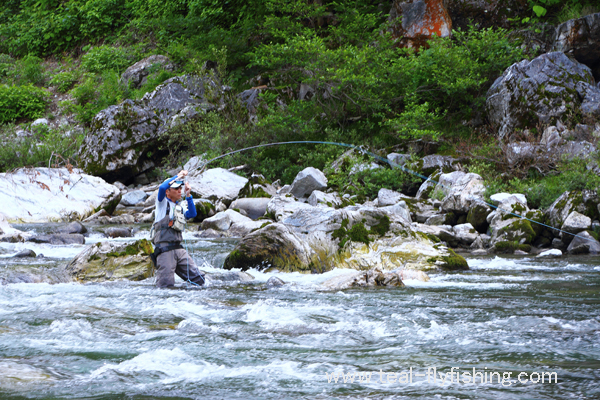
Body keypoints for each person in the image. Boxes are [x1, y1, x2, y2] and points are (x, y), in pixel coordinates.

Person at [151, 169, 205, 288]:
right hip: (165, 251)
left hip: (179, 250)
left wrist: (189, 195)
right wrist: (178, 176)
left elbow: (192, 214)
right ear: (168, 192)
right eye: (176, 189)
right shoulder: (161, 204)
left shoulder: (179, 206)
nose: (179, 190)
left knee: (199, 280)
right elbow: (161, 188)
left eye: (180, 188)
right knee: (166, 286)